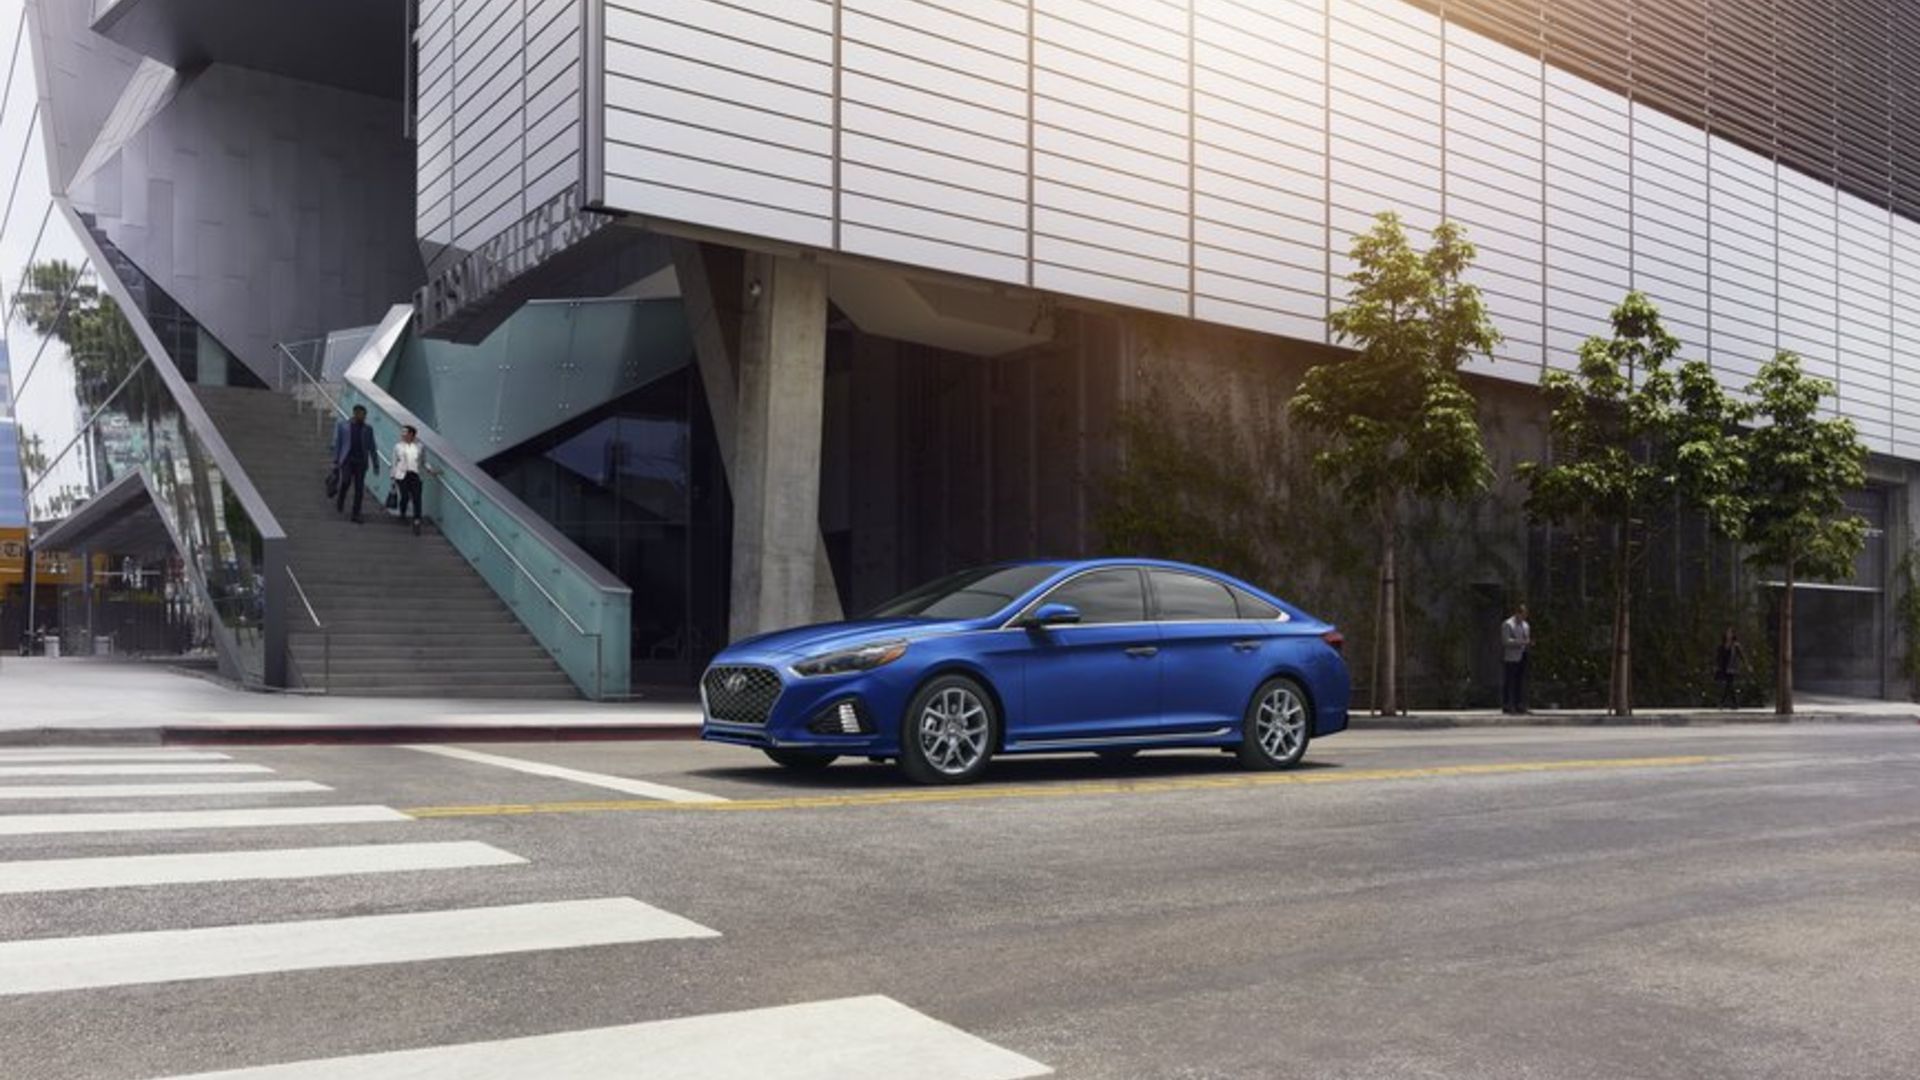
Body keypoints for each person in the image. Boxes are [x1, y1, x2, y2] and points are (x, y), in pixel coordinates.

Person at [330, 405, 376, 523]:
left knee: (359, 488)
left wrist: (375, 463)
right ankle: (341, 499)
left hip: (361, 462)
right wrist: (335, 461)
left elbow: (372, 447)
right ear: (355, 413)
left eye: (364, 415)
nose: (363, 417)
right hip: (347, 460)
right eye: (361, 414)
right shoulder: (343, 426)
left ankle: (356, 514)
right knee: (346, 481)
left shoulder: (368, 429)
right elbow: (338, 444)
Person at [391, 425, 430, 536]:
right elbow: (394, 462)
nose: (403, 435)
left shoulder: (420, 447)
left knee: (417, 498)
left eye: (405, 432)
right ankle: (402, 514)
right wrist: (393, 476)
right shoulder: (398, 446)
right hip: (402, 475)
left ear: (412, 434)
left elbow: (424, 462)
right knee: (404, 496)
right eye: (402, 433)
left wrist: (430, 469)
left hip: (415, 476)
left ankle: (417, 521)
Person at [1501, 603, 1532, 715]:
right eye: (1522, 614)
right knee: (1510, 681)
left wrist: (1527, 643)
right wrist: (1520, 642)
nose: (1524, 617)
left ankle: (1520, 705)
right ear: (1517, 613)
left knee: (1521, 681)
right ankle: (1507, 705)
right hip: (1511, 657)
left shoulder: (1526, 625)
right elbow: (1505, 641)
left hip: (1523, 654)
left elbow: (1526, 638)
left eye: (1525, 614)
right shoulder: (1508, 624)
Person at [1715, 627, 1748, 710]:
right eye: (1727, 633)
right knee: (1727, 686)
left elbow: (1742, 656)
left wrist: (1746, 664)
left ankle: (1724, 703)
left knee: (1729, 685)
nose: (1729, 635)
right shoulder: (1722, 645)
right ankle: (1732, 703)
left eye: (1730, 633)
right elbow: (1719, 656)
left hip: (1731, 667)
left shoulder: (1735, 645)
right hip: (1723, 667)